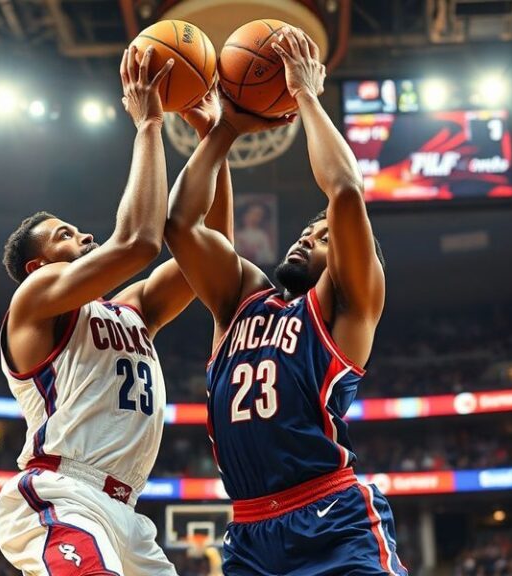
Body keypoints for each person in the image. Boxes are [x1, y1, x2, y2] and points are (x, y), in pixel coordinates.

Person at [165, 27, 407, 575]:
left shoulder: (345, 307)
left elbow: (344, 190)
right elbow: (180, 225)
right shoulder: (242, 300)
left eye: (322, 236)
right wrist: (224, 130)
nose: (306, 236)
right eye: (307, 229)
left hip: (333, 520)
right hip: (249, 531)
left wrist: (304, 94)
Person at [0, 46, 234, 576]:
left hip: (125, 513)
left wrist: (215, 137)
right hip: (62, 494)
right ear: (37, 266)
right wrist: (148, 125)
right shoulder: (33, 301)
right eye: (64, 234)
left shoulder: (132, 309)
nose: (82, 234)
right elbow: (138, 242)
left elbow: (213, 246)